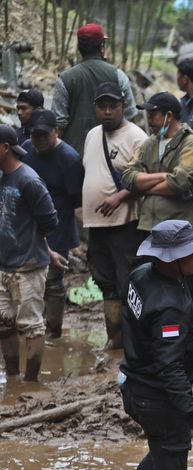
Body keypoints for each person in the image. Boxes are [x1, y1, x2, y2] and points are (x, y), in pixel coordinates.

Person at [106, 220, 193, 470]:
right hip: (155, 395)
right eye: (191, 252)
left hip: (133, 383)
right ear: (171, 258)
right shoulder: (168, 305)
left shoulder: (141, 274)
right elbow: (168, 369)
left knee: (163, 450)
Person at [82, 82, 148, 350]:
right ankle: (115, 338)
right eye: (102, 106)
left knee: (129, 280)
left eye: (113, 106)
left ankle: (136, 340)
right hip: (96, 223)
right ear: (96, 108)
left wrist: (120, 197)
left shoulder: (136, 137)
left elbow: (146, 179)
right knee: (104, 279)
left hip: (125, 223)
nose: (107, 112)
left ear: (123, 107)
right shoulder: (91, 135)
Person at [0, 125, 58, 382]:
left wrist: (36, 245)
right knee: (4, 324)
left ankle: (30, 382)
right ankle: (13, 377)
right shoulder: (2, 177)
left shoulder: (29, 180)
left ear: (4, 148)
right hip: (3, 265)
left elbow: (49, 221)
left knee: (32, 326)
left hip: (28, 266)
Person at [22, 109, 84, 340]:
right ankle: (32, 326)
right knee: (29, 276)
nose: (38, 140)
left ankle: (53, 331)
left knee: (53, 279)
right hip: (28, 224)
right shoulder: (27, 149)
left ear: (55, 131)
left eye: (43, 136)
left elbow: (76, 197)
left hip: (58, 224)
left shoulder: (69, 158)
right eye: (35, 135)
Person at [121, 92, 193, 233]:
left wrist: (144, 188)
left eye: (153, 114)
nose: (149, 120)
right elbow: (128, 177)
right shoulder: (150, 143)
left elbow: (180, 181)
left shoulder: (191, 143)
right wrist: (163, 176)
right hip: (149, 226)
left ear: (169, 116)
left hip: (179, 228)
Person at [52, 24, 138, 155]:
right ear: (101, 47)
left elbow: (58, 125)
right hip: (113, 155)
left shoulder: (65, 79)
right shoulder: (118, 76)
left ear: (79, 49)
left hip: (74, 156)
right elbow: (131, 115)